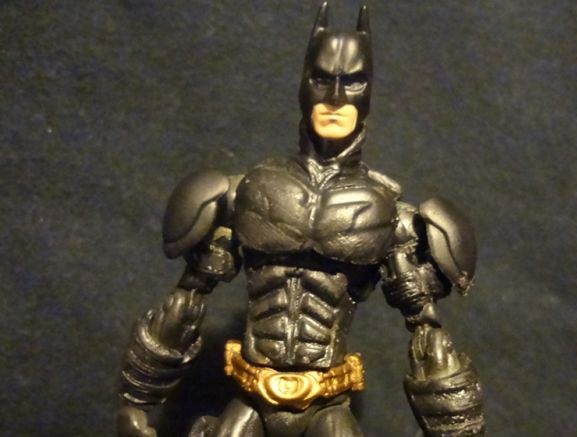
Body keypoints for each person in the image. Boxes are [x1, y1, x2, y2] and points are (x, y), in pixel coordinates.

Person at [118, 3, 485, 436]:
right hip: (250, 395)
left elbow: (428, 334)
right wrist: (136, 402)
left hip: (328, 401)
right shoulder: (246, 194)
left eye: (353, 82)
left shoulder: (389, 216)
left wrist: (457, 427)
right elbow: (185, 301)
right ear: (303, 83)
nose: (336, 96)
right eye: (322, 78)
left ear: (368, 91)